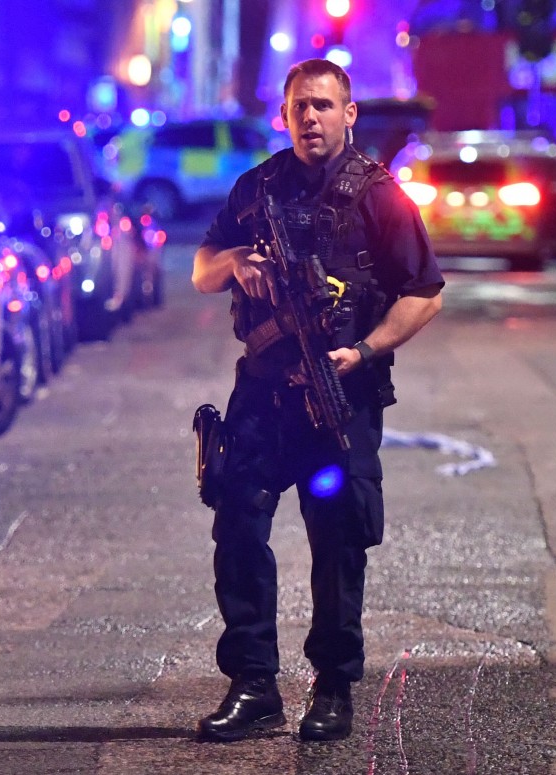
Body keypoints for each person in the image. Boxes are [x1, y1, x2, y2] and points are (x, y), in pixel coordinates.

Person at [191, 58, 444, 744]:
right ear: (285, 113)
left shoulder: (381, 196)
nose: (311, 117)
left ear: (349, 113)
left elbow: (426, 292)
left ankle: (332, 688)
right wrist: (237, 263)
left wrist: (365, 350)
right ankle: (253, 684)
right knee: (238, 524)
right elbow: (203, 267)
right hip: (263, 394)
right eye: (301, 106)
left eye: (325, 106)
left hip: (341, 395)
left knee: (337, 541)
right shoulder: (258, 186)